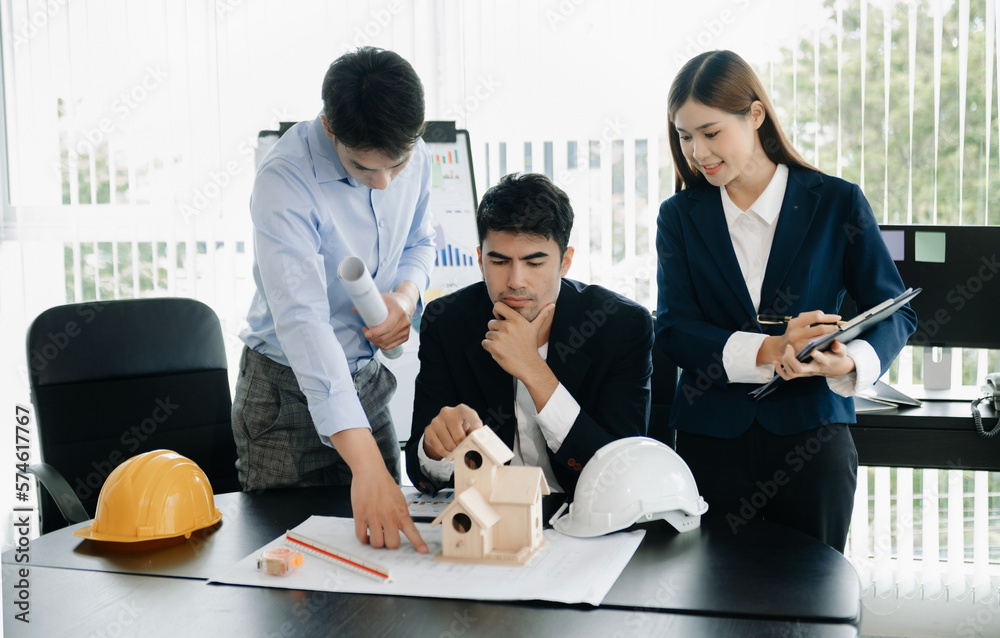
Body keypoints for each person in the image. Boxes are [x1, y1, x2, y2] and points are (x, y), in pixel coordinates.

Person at [656, 50, 916, 551]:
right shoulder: (681, 216)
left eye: (711, 133)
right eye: (684, 136)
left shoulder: (836, 201)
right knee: (710, 613)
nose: (696, 152)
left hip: (812, 440)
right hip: (709, 443)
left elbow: (897, 309)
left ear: (755, 115)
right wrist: (770, 351)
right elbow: (674, 330)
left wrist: (847, 361)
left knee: (811, 611)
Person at [233, 47, 434, 553]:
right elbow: (303, 324)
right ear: (329, 127)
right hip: (286, 393)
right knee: (291, 563)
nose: (386, 180)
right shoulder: (284, 180)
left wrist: (404, 301)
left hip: (366, 381)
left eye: (398, 164)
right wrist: (365, 464)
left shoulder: (412, 150)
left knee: (388, 547)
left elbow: (419, 242)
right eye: (365, 169)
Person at [406, 173, 654, 496]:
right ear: (480, 261)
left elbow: (622, 473)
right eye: (499, 261)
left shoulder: (621, 326)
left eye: (534, 262)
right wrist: (434, 448)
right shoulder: (446, 321)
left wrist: (532, 368)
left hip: (582, 520)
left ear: (565, 263)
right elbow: (420, 471)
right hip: (491, 521)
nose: (515, 281)